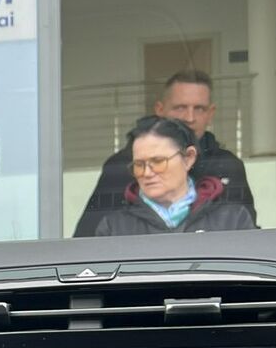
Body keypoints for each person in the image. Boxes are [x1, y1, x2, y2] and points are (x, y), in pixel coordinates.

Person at [74, 70, 256, 236]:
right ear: (160, 110)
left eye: (199, 108)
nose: (190, 118)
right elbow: (90, 241)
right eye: (180, 108)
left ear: (189, 158)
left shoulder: (229, 167)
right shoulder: (120, 167)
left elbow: (246, 240)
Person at [95, 117, 254, 236]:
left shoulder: (233, 220)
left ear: (188, 158)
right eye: (139, 164)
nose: (147, 173)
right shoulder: (113, 227)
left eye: (158, 161)